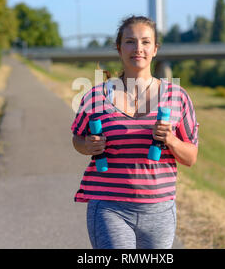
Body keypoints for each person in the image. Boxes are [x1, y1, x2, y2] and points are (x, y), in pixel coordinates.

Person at [71, 15, 199, 249]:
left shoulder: (177, 97)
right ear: (119, 48)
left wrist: (170, 139)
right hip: (110, 207)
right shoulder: (96, 96)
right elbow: (77, 138)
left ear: (155, 49)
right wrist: (87, 145)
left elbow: (190, 157)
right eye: (130, 41)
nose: (138, 48)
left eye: (145, 42)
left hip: (159, 210)